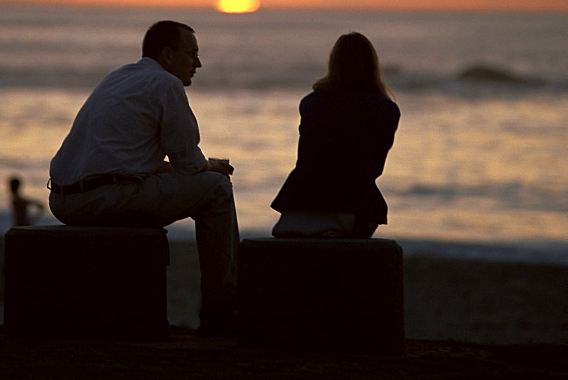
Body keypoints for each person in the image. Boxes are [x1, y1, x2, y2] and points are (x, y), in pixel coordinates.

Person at [48, 20, 239, 334]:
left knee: (202, 181)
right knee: (217, 189)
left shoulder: (118, 79)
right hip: (106, 198)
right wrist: (212, 166)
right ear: (167, 55)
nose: (198, 63)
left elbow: (129, 162)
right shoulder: (167, 85)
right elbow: (189, 164)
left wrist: (199, 165)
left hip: (63, 199)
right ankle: (221, 310)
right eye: (192, 54)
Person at [271, 32, 399, 239]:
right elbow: (374, 168)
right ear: (372, 65)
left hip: (299, 198)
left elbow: (306, 157)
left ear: (333, 63)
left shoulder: (310, 102)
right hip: (351, 201)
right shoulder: (385, 109)